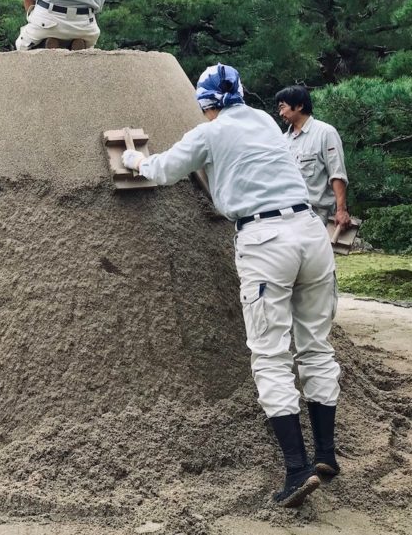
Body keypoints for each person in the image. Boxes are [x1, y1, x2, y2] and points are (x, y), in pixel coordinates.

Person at [122, 64, 341, 507]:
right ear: (241, 94)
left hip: (265, 240)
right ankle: (325, 455)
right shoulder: (264, 120)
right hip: (310, 231)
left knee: (270, 353)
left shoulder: (209, 133)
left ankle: (296, 470)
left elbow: (163, 170)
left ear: (205, 104)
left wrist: (135, 160)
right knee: (316, 346)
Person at [275, 85, 350, 229]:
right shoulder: (283, 140)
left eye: (282, 107)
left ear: (299, 106)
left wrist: (341, 210)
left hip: (317, 216)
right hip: (287, 216)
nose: (280, 113)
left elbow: (337, 173)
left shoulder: (325, 132)